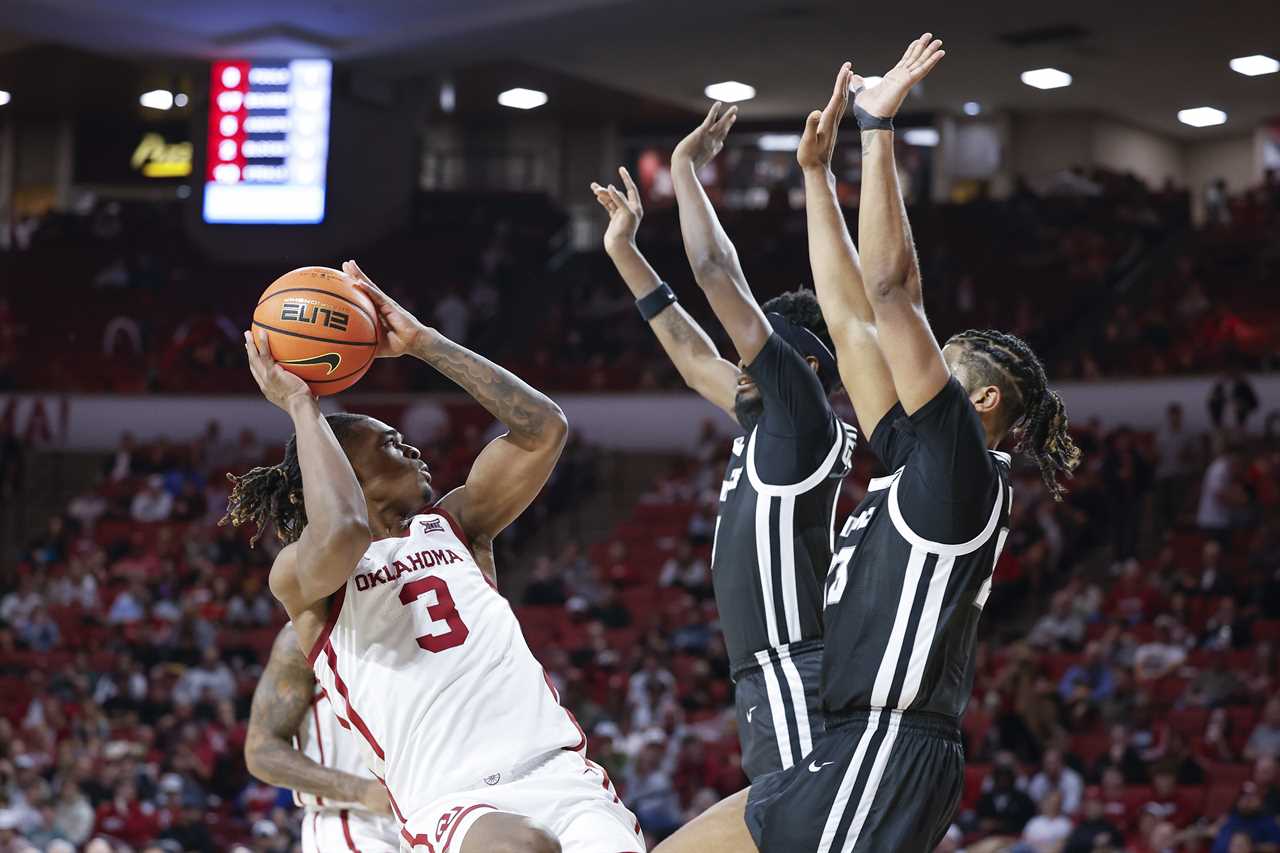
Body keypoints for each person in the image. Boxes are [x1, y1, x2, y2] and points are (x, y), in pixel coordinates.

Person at [654, 36, 1079, 853]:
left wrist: (877, 133)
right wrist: (817, 178)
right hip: (854, 742)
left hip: (888, 744)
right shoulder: (914, 461)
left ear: (979, 399)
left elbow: (889, 292)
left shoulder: (960, 470)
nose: (910, 360)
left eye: (939, 358)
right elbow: (850, 321)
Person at [224, 260, 642, 853]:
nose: (413, 447)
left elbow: (543, 431)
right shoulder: (302, 576)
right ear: (348, 470)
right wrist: (302, 406)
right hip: (457, 800)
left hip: (561, 776)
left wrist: (426, 343)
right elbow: (342, 529)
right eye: (390, 445)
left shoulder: (457, 527)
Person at [591, 101, 856, 780]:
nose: (740, 360)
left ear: (805, 368)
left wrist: (684, 170)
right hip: (765, 670)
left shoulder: (802, 416)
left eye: (755, 349)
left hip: (793, 662)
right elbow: (688, 350)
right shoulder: (769, 419)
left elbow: (715, 273)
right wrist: (624, 251)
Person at [245, 624, 400, 852]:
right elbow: (260, 751)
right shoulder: (301, 635)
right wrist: (361, 790)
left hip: (431, 809)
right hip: (356, 821)